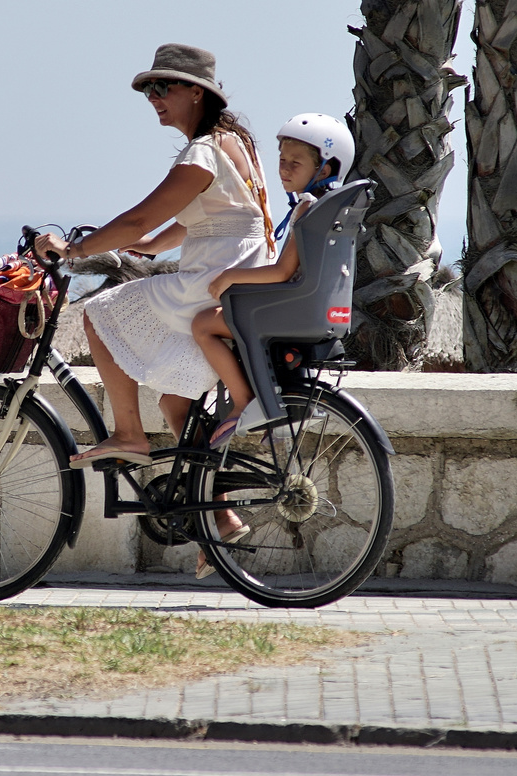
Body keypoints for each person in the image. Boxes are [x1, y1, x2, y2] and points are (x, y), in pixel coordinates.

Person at [33, 44, 275, 469]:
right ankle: (217, 517)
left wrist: (72, 250)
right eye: (149, 91)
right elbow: (213, 217)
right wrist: (153, 246)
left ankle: (128, 435)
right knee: (174, 403)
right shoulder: (235, 143)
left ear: (197, 92)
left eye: (162, 87)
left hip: (210, 283)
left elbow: (138, 219)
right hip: (239, 282)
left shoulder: (203, 152)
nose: (154, 98)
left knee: (100, 312)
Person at [192, 113, 355, 447]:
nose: (284, 169)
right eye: (282, 160)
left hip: (295, 310)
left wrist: (228, 277)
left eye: (296, 162)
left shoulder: (307, 208)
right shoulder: (331, 208)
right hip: (319, 311)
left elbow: (282, 272)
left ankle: (243, 403)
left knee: (203, 323)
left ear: (324, 170)